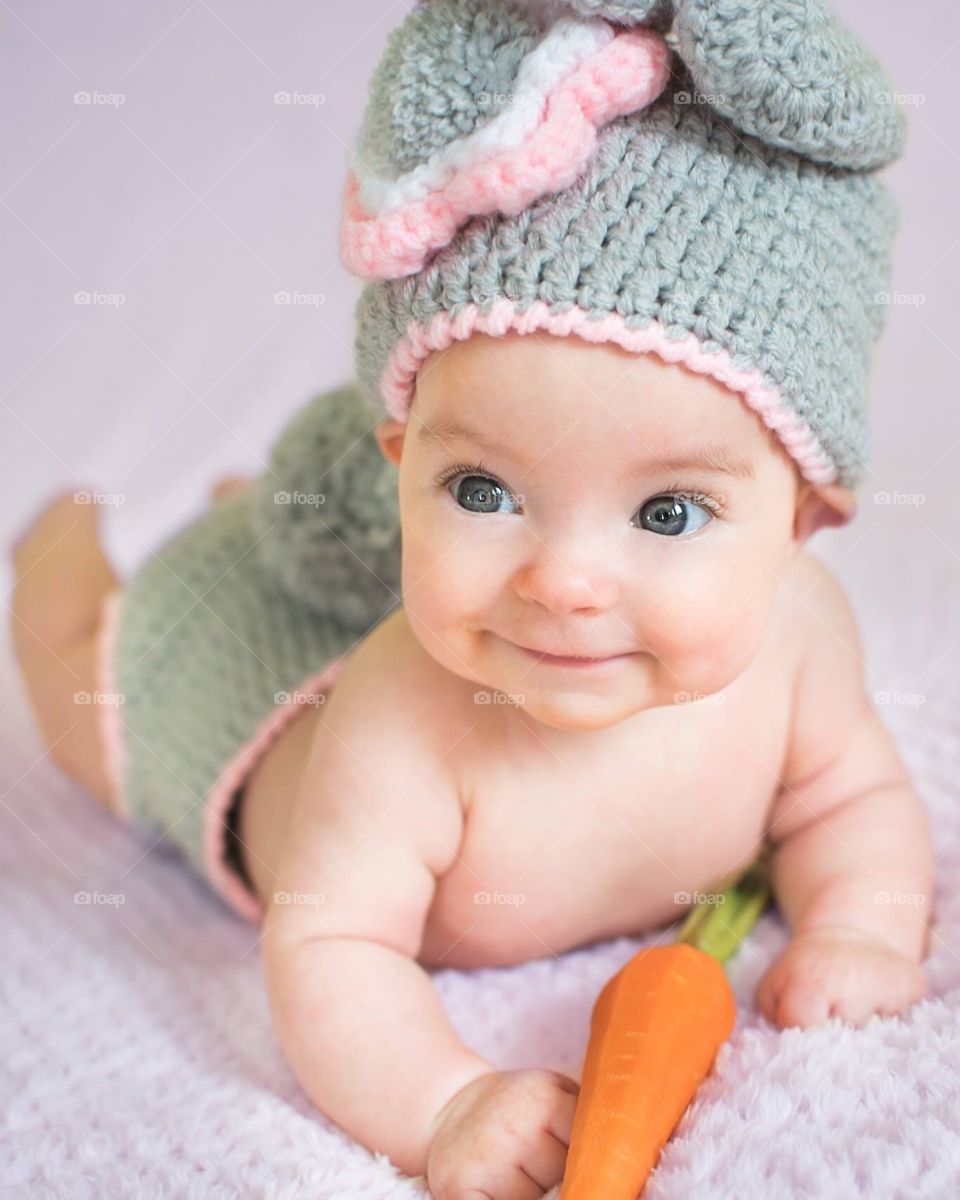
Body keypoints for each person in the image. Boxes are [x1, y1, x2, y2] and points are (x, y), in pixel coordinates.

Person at [10, 1, 935, 1197]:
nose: (564, 583)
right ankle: (55, 547)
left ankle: (281, 504)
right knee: (89, 686)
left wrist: (858, 928)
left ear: (804, 516)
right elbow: (333, 943)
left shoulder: (801, 642)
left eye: (667, 513)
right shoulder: (401, 718)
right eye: (481, 488)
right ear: (404, 466)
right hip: (220, 703)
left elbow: (851, 799)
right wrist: (445, 1102)